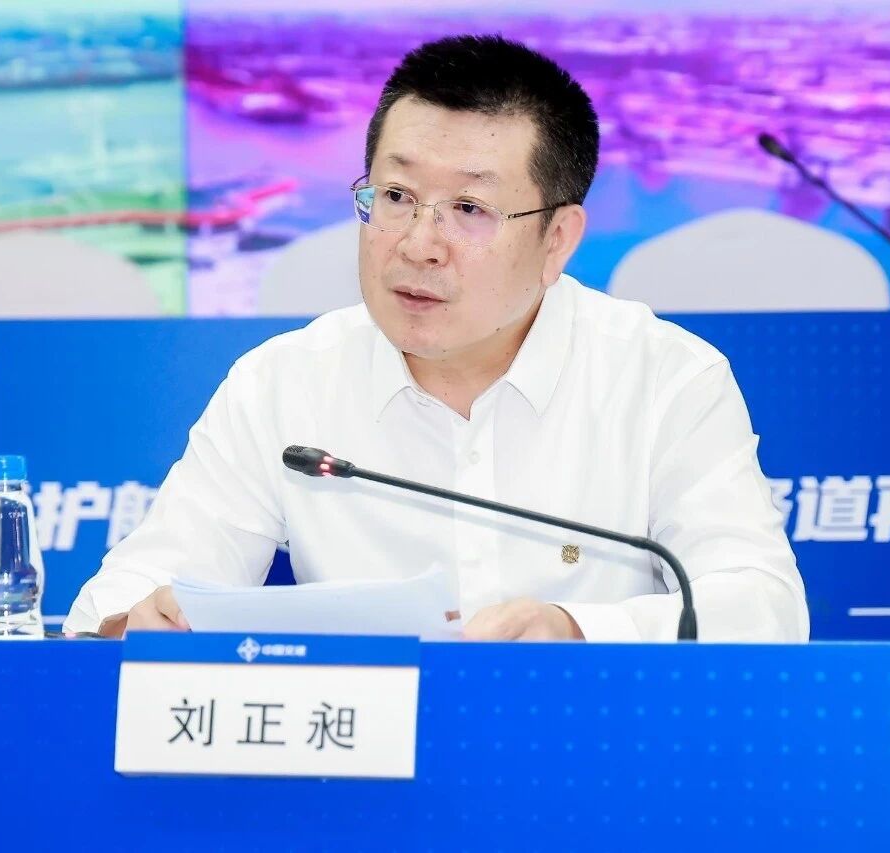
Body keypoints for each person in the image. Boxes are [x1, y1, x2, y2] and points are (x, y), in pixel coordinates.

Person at [64, 35, 809, 642]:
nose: (419, 244)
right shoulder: (283, 383)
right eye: (396, 196)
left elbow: (761, 608)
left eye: (470, 209)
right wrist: (138, 620)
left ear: (557, 238)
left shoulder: (665, 378)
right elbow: (130, 591)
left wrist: (579, 630)